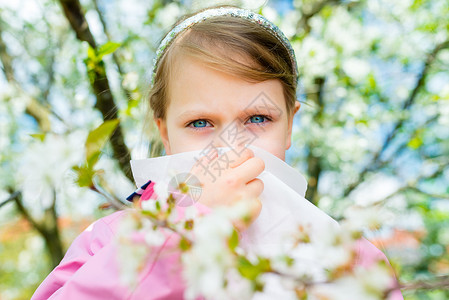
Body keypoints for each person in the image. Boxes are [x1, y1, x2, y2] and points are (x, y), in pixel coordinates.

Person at [32, 5, 403, 299]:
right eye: (200, 123)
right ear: (165, 133)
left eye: (257, 118)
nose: (229, 147)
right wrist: (181, 228)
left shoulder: (348, 255)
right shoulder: (112, 238)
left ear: (289, 125)